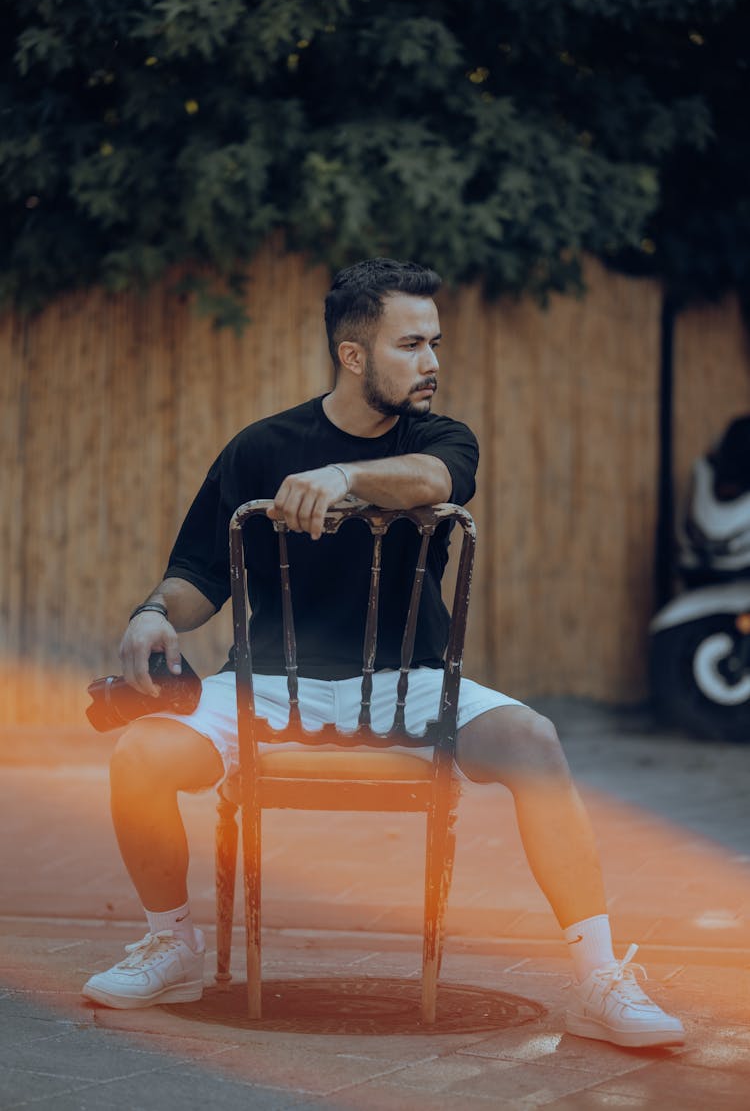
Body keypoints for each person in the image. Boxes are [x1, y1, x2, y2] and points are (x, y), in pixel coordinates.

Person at [82, 259, 684, 1048]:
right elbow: (196, 574)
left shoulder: (439, 439)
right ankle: (174, 944)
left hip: (412, 680)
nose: (432, 361)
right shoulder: (261, 447)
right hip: (269, 682)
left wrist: (341, 476)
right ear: (354, 353)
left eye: (435, 342)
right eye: (411, 344)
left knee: (535, 739)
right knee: (139, 753)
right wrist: (154, 614)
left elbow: (437, 480)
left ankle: (599, 978)